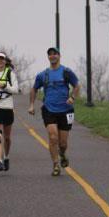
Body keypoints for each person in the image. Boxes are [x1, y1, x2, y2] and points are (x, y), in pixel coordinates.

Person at [28, 47, 80, 176]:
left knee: (62, 143)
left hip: (65, 110)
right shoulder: (43, 75)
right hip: (49, 109)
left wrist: (72, 97)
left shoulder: (66, 72)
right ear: (48, 57)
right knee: (52, 137)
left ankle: (62, 154)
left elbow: (77, 85)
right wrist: (31, 105)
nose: (52, 56)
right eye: (50, 54)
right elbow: (34, 89)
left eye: (54, 54)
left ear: (59, 56)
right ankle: (56, 164)